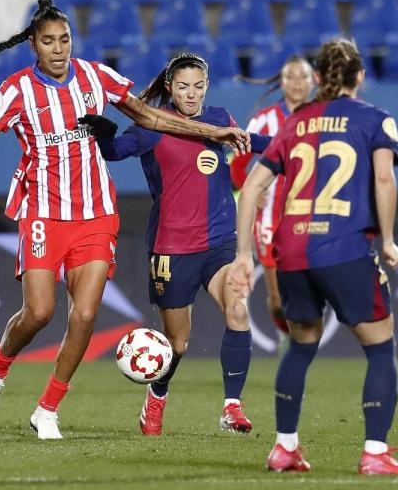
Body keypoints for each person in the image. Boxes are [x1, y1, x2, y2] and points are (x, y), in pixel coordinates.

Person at [0, 0, 249, 440]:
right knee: (40, 312)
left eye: (65, 39)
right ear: (34, 44)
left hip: (96, 213)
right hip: (44, 212)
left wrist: (212, 131)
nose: (59, 49)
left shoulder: (94, 75)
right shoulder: (16, 89)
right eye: (49, 41)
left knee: (84, 316)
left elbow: (149, 116)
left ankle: (48, 409)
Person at [227, 38, 398, 476]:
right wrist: (387, 240)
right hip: (345, 246)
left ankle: (284, 448)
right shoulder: (375, 119)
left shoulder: (294, 122)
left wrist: (243, 255)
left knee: (300, 344)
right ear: (360, 77)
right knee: (380, 347)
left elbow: (252, 187)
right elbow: (384, 179)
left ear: (318, 78)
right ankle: (374, 453)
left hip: (292, 249)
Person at [84, 53, 270, 436]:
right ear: (170, 87)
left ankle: (232, 407)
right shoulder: (152, 125)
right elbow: (115, 151)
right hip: (171, 246)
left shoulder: (219, 118)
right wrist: (103, 134)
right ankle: (157, 396)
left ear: (207, 86)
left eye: (198, 86)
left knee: (237, 310)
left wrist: (291, 146)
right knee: (178, 342)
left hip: (219, 239)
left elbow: (248, 141)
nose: (191, 94)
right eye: (183, 86)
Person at [230, 56, 315, 354]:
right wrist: (249, 188)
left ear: (313, 80)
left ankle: (303, 332)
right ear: (282, 82)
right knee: (278, 298)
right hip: (270, 218)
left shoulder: (324, 117)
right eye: (290, 77)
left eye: (302, 76)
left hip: (312, 216)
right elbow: (237, 164)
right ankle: (287, 335)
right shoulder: (265, 119)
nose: (296, 83)